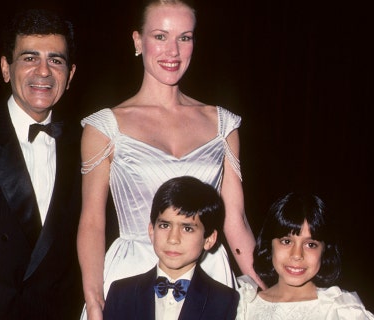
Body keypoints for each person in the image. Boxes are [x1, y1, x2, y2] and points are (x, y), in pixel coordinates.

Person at [77, 0, 263, 318]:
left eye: (184, 37)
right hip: (131, 272)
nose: (173, 51)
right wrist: (94, 299)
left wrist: (264, 287)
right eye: (160, 36)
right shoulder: (104, 127)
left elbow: (235, 219)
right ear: (138, 41)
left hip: (209, 272)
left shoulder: (223, 124)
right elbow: (92, 222)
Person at [0, 8, 83, 320]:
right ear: (6, 68)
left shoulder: (89, 144)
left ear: (70, 74)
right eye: (30, 58)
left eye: (56, 60)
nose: (44, 71)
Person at [103, 176, 239, 320]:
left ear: (209, 239)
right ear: (151, 231)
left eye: (187, 228)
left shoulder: (224, 300)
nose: (173, 239)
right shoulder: (121, 293)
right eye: (165, 225)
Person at [235, 192, 374, 319]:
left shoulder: (341, 311)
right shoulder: (245, 306)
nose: (297, 255)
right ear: (269, 244)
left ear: (324, 250)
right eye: (286, 241)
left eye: (310, 245)